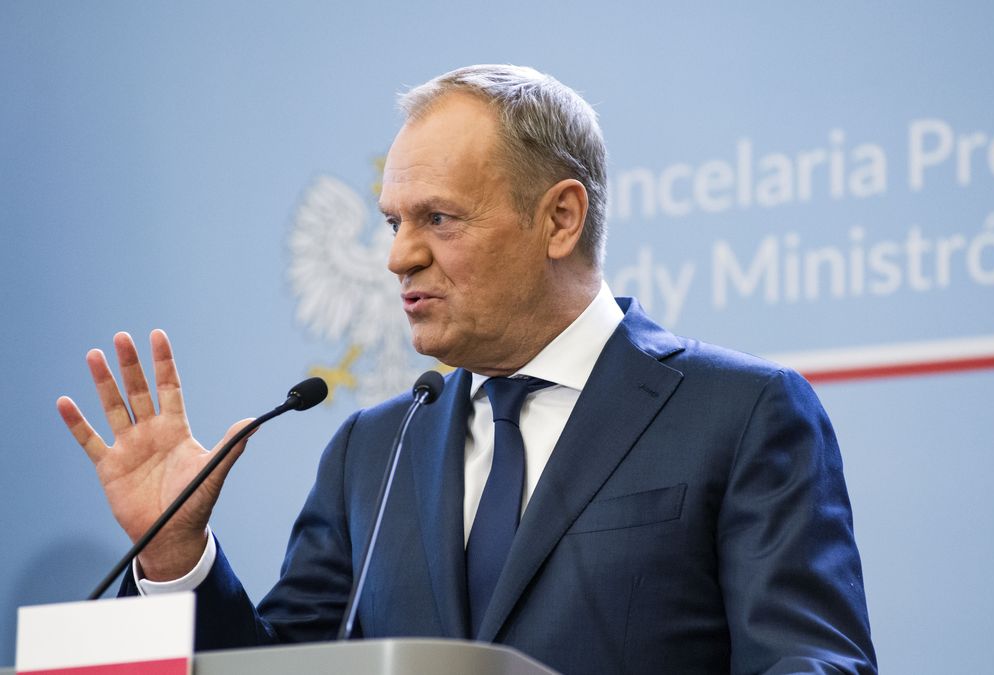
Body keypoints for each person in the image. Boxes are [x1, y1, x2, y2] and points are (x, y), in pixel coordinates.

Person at [57, 65, 877, 674]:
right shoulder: (371, 452)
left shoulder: (739, 414)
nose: (398, 257)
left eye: (438, 219)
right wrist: (177, 553)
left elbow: (812, 663)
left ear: (559, 217)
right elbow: (276, 666)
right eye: (392, 222)